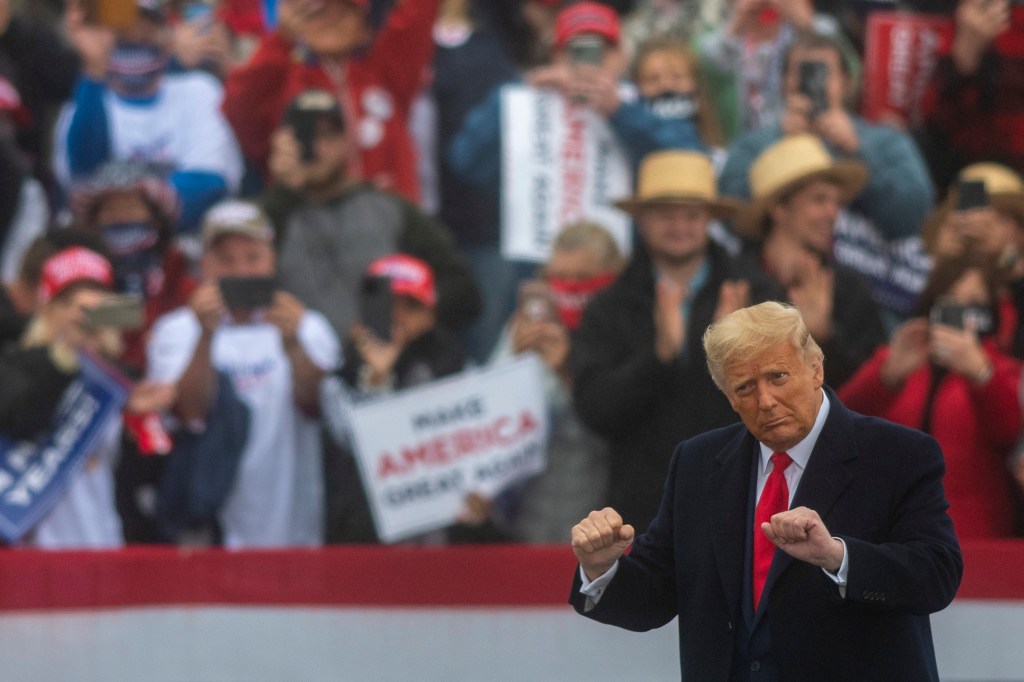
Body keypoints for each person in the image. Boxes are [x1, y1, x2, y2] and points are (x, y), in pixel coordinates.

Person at [570, 301, 963, 681]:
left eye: (778, 377)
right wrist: (602, 569)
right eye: (744, 387)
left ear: (815, 369)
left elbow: (937, 574)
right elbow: (655, 595)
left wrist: (838, 557)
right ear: (728, 398)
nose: (766, 401)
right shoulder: (698, 463)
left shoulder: (899, 454)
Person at [571, 150, 777, 532]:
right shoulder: (609, 305)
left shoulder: (758, 292)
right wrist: (658, 359)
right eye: (666, 214)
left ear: (710, 220)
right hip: (642, 514)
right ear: (642, 221)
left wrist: (732, 358)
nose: (679, 226)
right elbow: (593, 409)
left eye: (691, 215)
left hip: (744, 501)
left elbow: (793, 403)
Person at [146, 199, 340, 547]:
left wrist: (294, 345)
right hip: (208, 534)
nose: (241, 272)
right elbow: (189, 413)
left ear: (272, 260)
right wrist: (204, 336)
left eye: (253, 258)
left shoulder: (309, 326)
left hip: (292, 532)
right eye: (226, 260)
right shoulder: (175, 330)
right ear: (204, 265)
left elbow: (319, 407)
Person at [719, 32, 935, 320]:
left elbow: (915, 217)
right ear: (783, 83)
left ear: (847, 83)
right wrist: (783, 149)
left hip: (877, 304)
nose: (813, 84)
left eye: (824, 73)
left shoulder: (886, 142)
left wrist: (858, 152)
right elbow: (733, 216)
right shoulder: (756, 144)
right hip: (776, 300)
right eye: (803, 72)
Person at [267, 89, 480, 342]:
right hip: (301, 369)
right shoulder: (269, 215)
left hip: (385, 363)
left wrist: (408, 322)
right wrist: (285, 190)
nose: (317, 146)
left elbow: (463, 289)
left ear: (347, 140)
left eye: (328, 135)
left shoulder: (389, 209)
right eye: (304, 136)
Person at [0, 245, 174, 548]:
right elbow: (20, 423)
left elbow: (148, 476)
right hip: (33, 549)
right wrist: (64, 360)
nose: (85, 313)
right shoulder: (16, 364)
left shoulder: (123, 380)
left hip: (106, 543)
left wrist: (142, 422)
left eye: (98, 303)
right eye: (71, 303)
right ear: (48, 309)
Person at [839, 254, 1022, 538]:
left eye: (972, 303)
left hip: (973, 540)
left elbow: (1009, 431)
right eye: (950, 301)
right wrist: (885, 376)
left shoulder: (1002, 370)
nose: (960, 313)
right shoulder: (899, 358)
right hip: (891, 532)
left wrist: (982, 374)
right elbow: (842, 420)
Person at [320, 253, 473, 543]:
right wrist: (376, 382)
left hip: (442, 542)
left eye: (411, 306)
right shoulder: (340, 376)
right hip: (363, 543)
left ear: (432, 312)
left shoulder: (459, 370)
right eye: (387, 305)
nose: (397, 317)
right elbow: (354, 451)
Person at [222, 0, 440, 203]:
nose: (330, 20)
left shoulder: (387, 71)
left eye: (343, 11)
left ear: (365, 27)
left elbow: (416, 16)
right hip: (310, 227)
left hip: (392, 226)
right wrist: (280, 40)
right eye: (318, 13)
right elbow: (240, 108)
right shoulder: (284, 81)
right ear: (298, 23)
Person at [55, 0, 243, 233]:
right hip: (105, 248)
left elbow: (209, 184)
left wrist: (124, 200)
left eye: (145, 34)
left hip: (184, 248)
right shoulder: (84, 103)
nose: (134, 39)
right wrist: (94, 68)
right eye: (123, 35)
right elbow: (84, 175)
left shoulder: (198, 89)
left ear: (165, 36)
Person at [490, 220, 624, 543]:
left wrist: (567, 372)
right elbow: (488, 419)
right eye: (560, 278)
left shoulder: (623, 330)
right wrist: (516, 364)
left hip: (599, 518)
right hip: (526, 518)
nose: (570, 289)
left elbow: (617, 428)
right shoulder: (524, 329)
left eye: (583, 279)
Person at [732, 134, 886, 388]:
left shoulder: (848, 287)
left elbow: (868, 391)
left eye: (836, 202)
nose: (832, 213)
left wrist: (824, 336)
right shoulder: (732, 282)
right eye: (819, 200)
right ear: (779, 209)